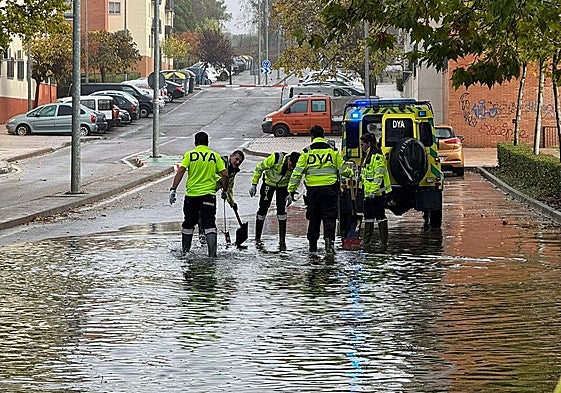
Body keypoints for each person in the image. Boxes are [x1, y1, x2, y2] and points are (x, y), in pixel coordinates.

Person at [287, 125, 352, 254]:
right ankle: (329, 244)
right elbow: (343, 170)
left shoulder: (306, 152)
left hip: (313, 192)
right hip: (329, 191)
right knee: (329, 218)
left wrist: (291, 190)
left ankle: (313, 246)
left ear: (312, 137)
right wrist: (351, 174)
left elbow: (297, 173)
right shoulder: (332, 152)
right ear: (323, 136)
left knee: (314, 218)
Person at [169, 131, 228, 257]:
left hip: (192, 196)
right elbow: (225, 174)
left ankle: (185, 252)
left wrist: (173, 188)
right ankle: (212, 255)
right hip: (209, 196)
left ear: (195, 143)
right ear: (208, 143)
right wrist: (225, 190)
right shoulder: (215, 156)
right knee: (209, 224)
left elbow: (181, 171)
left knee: (188, 223)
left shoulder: (190, 155)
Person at [249, 151, 301, 250]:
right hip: (268, 183)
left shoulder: (296, 167)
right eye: (291, 165)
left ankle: (282, 240)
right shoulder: (276, 158)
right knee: (263, 208)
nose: (291, 168)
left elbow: (296, 179)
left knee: (281, 210)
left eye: (294, 167)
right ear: (288, 159)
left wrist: (291, 192)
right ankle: (258, 238)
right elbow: (259, 168)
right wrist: (254, 184)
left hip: (283, 187)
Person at [198, 150, 245, 244]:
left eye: (240, 161)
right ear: (231, 156)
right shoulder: (220, 162)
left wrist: (232, 202)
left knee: (208, 214)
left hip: (211, 191)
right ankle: (202, 235)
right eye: (236, 159)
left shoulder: (233, 171)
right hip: (203, 187)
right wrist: (221, 181)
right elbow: (210, 172)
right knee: (202, 213)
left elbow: (229, 188)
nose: (237, 162)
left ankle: (206, 236)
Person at [359, 132, 392, 249]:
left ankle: (384, 242)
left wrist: (373, 191)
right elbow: (366, 176)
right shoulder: (367, 156)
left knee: (380, 216)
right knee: (368, 216)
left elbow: (378, 176)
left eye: (362, 144)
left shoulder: (377, 156)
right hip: (369, 194)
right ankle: (366, 240)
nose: (361, 146)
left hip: (377, 193)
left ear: (368, 144)